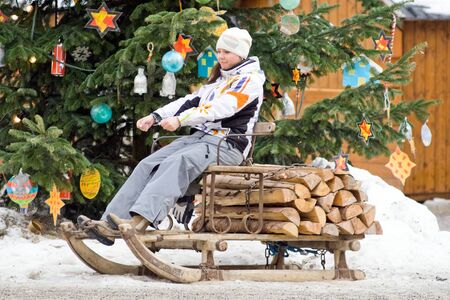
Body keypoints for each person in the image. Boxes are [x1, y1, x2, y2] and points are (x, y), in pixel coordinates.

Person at [78, 27, 266, 246]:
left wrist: (181, 120)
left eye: (226, 52)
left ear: (241, 55)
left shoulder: (249, 81)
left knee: (178, 162)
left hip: (227, 146)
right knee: (148, 163)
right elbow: (187, 102)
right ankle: (108, 223)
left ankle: (137, 222)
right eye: (219, 51)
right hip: (202, 140)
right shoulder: (219, 81)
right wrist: (156, 116)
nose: (220, 56)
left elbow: (222, 108)